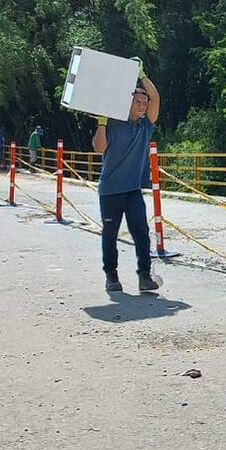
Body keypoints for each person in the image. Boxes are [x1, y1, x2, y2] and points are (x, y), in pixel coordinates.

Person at [92, 66, 161, 294]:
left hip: (132, 190)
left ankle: (144, 276)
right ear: (127, 103)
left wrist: (140, 74)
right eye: (138, 102)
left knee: (141, 231)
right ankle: (111, 276)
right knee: (110, 234)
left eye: (144, 103)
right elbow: (98, 148)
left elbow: (156, 97)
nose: (143, 106)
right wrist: (101, 122)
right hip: (110, 190)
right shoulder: (113, 123)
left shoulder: (145, 126)